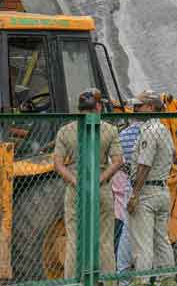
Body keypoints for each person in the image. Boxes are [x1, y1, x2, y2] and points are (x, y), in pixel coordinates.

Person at [54, 89, 123, 279]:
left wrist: (76, 181)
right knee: (105, 240)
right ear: (98, 107)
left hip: (76, 189)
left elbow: (58, 164)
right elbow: (118, 161)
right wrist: (99, 180)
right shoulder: (110, 130)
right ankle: (107, 282)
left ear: (79, 109)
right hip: (101, 188)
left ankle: (73, 282)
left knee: (74, 239)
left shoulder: (65, 131)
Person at [127, 91, 175, 279]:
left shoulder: (150, 130)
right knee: (162, 241)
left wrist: (135, 194)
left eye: (139, 106)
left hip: (146, 192)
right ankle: (167, 280)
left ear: (151, 107)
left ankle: (143, 282)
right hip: (162, 189)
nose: (135, 109)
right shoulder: (164, 129)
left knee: (142, 245)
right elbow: (174, 154)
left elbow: (144, 164)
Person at [115, 112, 143, 277]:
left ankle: (123, 274)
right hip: (142, 189)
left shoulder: (122, 136)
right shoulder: (156, 131)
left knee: (125, 232)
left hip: (126, 189)